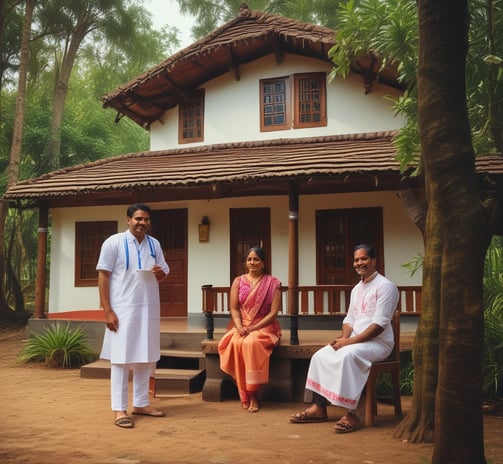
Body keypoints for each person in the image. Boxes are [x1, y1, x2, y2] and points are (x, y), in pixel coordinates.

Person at [290, 243, 399, 433]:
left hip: (378, 343)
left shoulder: (386, 287)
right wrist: (343, 337)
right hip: (355, 341)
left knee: (348, 356)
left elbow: (379, 326)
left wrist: (347, 343)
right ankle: (319, 407)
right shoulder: (357, 289)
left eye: (364, 259)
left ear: (374, 260)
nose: (359, 263)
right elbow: (350, 319)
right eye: (356, 260)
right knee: (321, 355)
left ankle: (353, 413)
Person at [97, 203, 170, 428]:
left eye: (146, 219)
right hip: (122, 309)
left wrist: (160, 273)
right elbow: (103, 275)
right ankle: (119, 409)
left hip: (148, 308)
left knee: (145, 357)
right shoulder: (114, 242)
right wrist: (107, 310)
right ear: (128, 220)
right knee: (121, 359)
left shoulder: (154, 244)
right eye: (138, 218)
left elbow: (164, 271)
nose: (142, 223)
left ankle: (140, 403)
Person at [218, 247, 282, 413]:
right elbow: (234, 308)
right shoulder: (238, 281)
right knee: (233, 343)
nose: (252, 263)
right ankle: (244, 392)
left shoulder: (273, 283)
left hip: (264, 325)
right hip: (242, 325)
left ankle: (253, 394)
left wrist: (253, 327)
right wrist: (239, 326)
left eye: (256, 259)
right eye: (249, 259)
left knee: (251, 343)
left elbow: (273, 313)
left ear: (263, 263)